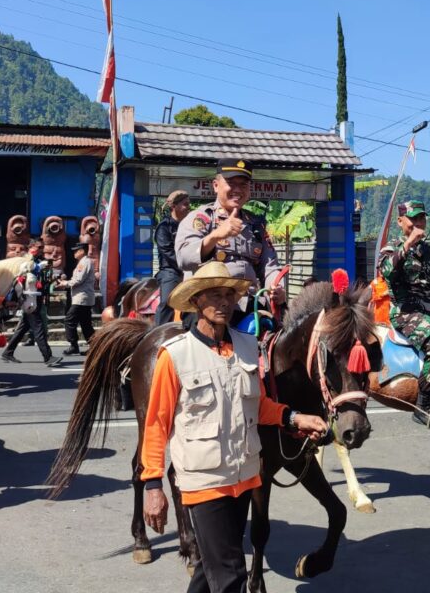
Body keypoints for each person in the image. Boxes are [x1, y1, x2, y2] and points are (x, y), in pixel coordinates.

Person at [140, 262, 328, 593]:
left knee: (207, 571)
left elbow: (257, 404)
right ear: (196, 301)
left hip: (244, 478)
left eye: (229, 295)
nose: (224, 302)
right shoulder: (176, 355)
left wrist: (294, 417)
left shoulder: (246, 345)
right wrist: (152, 485)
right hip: (203, 481)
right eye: (214, 295)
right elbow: (156, 423)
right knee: (231, 576)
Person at [378, 200, 430, 430]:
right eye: (413, 218)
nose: (418, 223)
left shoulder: (428, 251)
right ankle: (424, 407)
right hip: (408, 313)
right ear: (400, 221)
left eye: (421, 218)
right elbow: (387, 272)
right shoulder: (391, 247)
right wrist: (407, 245)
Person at [175, 159, 285, 327]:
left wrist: (276, 287)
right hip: (208, 307)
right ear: (216, 185)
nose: (238, 190)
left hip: (250, 305)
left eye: (243, 185)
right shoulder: (201, 218)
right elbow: (184, 258)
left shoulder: (256, 225)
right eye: (231, 183)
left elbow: (270, 266)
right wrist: (216, 236)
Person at [1, 241, 60, 366]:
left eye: (42, 248)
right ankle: (47, 356)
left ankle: (8, 352)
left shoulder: (41, 261)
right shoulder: (24, 262)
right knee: (38, 328)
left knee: (22, 329)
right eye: (38, 247)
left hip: (36, 296)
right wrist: (38, 268)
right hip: (29, 298)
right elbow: (22, 277)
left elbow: (44, 279)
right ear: (31, 247)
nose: (40, 250)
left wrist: (49, 275)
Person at [154, 189, 190, 325]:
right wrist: (185, 266)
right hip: (170, 271)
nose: (188, 207)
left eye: (188, 204)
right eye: (185, 204)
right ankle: (157, 332)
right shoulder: (164, 227)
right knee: (167, 301)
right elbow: (168, 253)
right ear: (174, 206)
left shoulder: (189, 226)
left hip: (189, 269)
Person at [55, 242, 95, 356]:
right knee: (85, 324)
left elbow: (78, 280)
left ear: (82, 251)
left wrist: (65, 283)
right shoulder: (83, 262)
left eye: (76, 251)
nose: (74, 253)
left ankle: (73, 345)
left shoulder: (84, 263)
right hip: (83, 297)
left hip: (81, 298)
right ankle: (95, 347)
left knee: (69, 320)